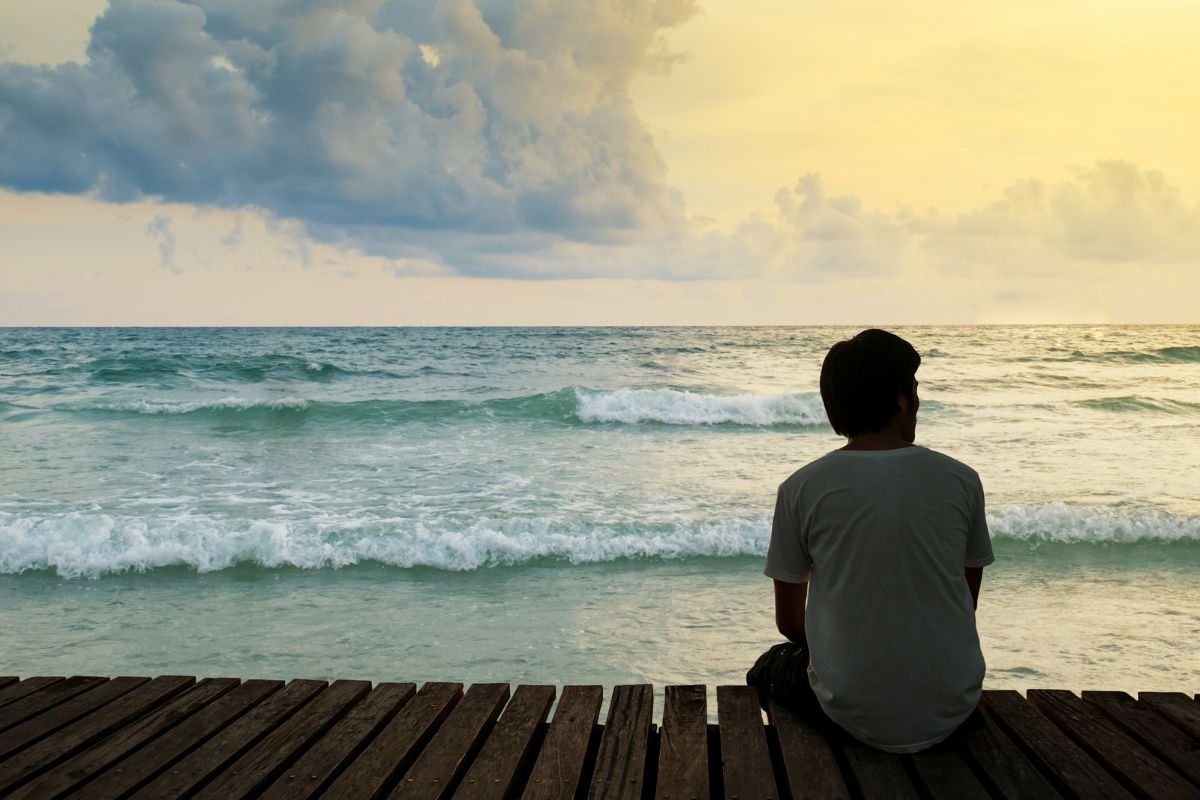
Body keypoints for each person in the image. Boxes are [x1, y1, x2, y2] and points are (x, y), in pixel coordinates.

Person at [747, 328, 994, 753]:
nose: (918, 402)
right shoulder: (962, 480)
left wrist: (849, 639)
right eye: (915, 391)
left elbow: (790, 624)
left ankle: (806, 756)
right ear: (901, 400)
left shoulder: (801, 488)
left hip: (851, 713)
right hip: (954, 704)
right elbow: (962, 604)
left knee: (768, 668)